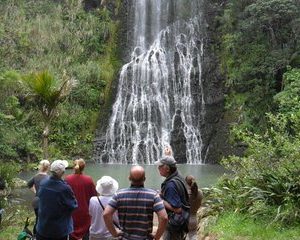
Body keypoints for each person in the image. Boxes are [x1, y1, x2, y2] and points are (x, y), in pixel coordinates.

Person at [103, 165, 168, 240]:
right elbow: (164, 217)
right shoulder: (153, 195)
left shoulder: (119, 194)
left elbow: (106, 214)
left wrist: (114, 233)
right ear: (145, 179)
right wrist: (157, 237)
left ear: (129, 178)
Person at [36, 160, 78, 240]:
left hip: (42, 227)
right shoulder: (64, 188)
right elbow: (73, 205)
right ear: (63, 172)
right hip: (58, 231)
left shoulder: (43, 182)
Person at [155, 155, 190, 240]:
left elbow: (178, 210)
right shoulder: (178, 176)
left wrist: (160, 200)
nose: (158, 168)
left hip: (174, 225)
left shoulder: (171, 185)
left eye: (160, 166)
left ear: (167, 169)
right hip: (182, 222)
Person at [65, 158, 97, 240]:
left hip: (71, 210)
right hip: (85, 211)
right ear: (84, 167)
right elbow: (94, 196)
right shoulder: (88, 180)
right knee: (86, 234)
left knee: (72, 231)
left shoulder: (67, 179)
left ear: (73, 167)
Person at [89, 176, 119, 240]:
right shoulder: (117, 201)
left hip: (95, 234)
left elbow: (91, 214)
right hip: (111, 234)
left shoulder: (93, 200)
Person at [27, 159, 50, 235]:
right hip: (46, 202)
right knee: (46, 220)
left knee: (38, 219)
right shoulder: (49, 178)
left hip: (36, 202)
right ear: (48, 168)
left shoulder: (35, 177)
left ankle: (35, 235)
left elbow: (29, 185)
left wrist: (35, 191)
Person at [185, 175, 203, 240]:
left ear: (186, 183)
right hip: (194, 219)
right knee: (193, 236)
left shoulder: (185, 194)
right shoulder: (200, 193)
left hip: (185, 219)